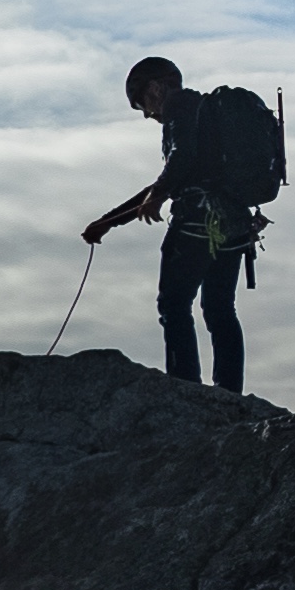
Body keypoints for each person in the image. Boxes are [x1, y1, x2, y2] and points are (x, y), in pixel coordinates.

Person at [83, 56, 253, 391]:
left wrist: (159, 194)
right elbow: (178, 170)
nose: (148, 113)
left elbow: (180, 158)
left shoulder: (180, 107)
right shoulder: (209, 113)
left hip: (197, 222)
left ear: (157, 86)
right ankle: (230, 391)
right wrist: (109, 221)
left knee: (174, 305)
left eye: (142, 102)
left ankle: (184, 386)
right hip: (234, 224)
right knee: (220, 309)